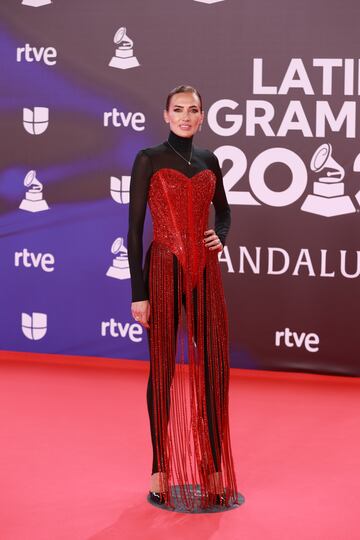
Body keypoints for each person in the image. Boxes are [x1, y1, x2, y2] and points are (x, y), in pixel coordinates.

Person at [127, 85, 239, 512]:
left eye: (194, 110)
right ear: (166, 115)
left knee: (214, 367)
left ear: (203, 116)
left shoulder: (210, 160)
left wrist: (221, 236)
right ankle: (160, 467)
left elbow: (224, 211)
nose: (186, 117)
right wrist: (138, 294)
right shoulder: (148, 159)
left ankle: (212, 468)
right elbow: (134, 230)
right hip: (161, 271)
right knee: (163, 370)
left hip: (205, 273)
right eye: (179, 110)